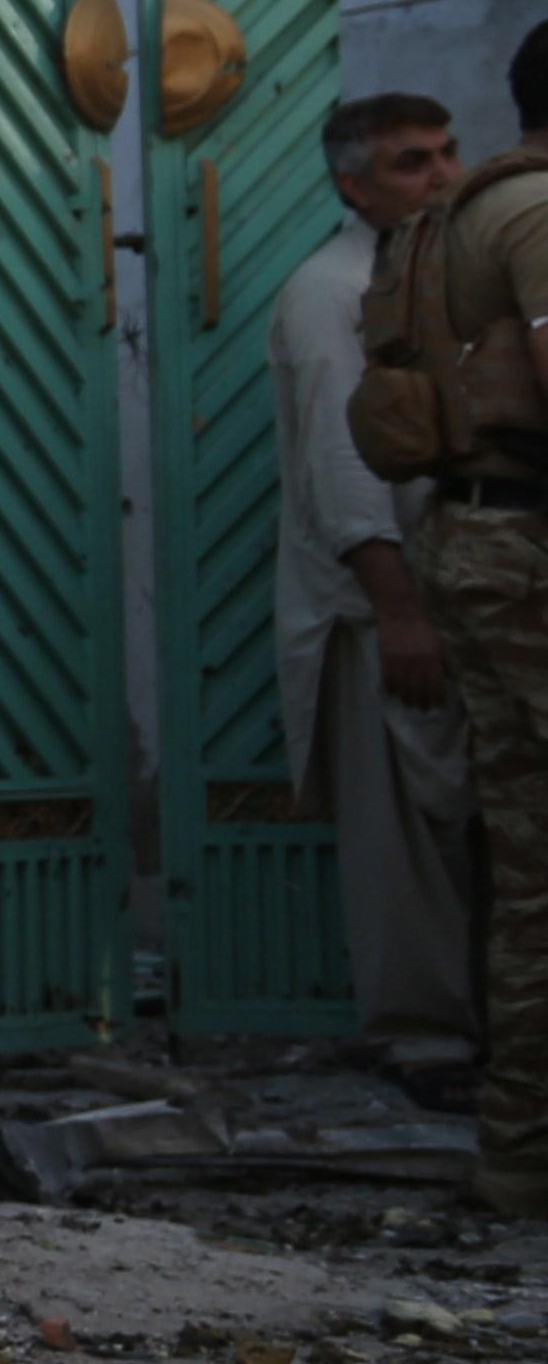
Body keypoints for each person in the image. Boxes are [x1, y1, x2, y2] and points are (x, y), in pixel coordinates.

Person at [366, 19, 548, 1220]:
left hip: (480, 541)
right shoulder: (532, 213)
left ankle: (521, 1151)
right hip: (527, 544)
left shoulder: (456, 216)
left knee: (527, 867)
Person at [275, 92, 479, 1054]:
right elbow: (340, 460)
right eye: (411, 161)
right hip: (378, 602)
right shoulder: (331, 289)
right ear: (353, 185)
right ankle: (422, 1035)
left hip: (462, 585)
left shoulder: (441, 277)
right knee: (401, 832)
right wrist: (398, 607)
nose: (441, 174)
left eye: (446, 152)